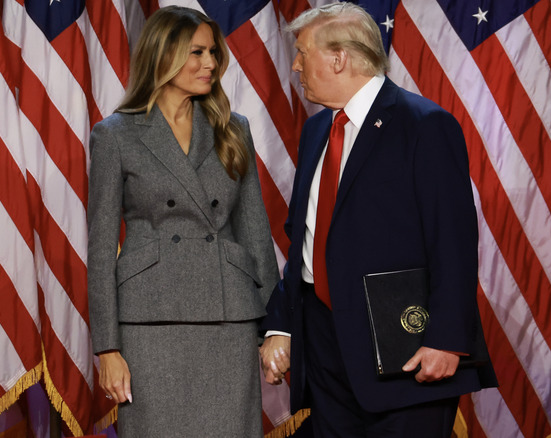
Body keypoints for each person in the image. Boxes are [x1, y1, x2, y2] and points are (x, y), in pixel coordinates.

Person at [259, 4, 497, 437]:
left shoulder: (424, 125)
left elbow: (453, 241)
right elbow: (305, 240)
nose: (294, 64)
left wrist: (445, 338)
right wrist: (282, 322)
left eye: (301, 52)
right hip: (326, 351)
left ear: (338, 58)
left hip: (404, 351)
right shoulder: (316, 132)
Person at [86, 6, 279, 437]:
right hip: (150, 323)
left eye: (212, 52)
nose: (210, 63)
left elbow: (254, 232)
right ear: (163, 54)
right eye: (196, 52)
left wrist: (276, 327)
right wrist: (108, 347)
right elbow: (100, 250)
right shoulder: (115, 135)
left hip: (229, 319)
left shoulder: (233, 128)